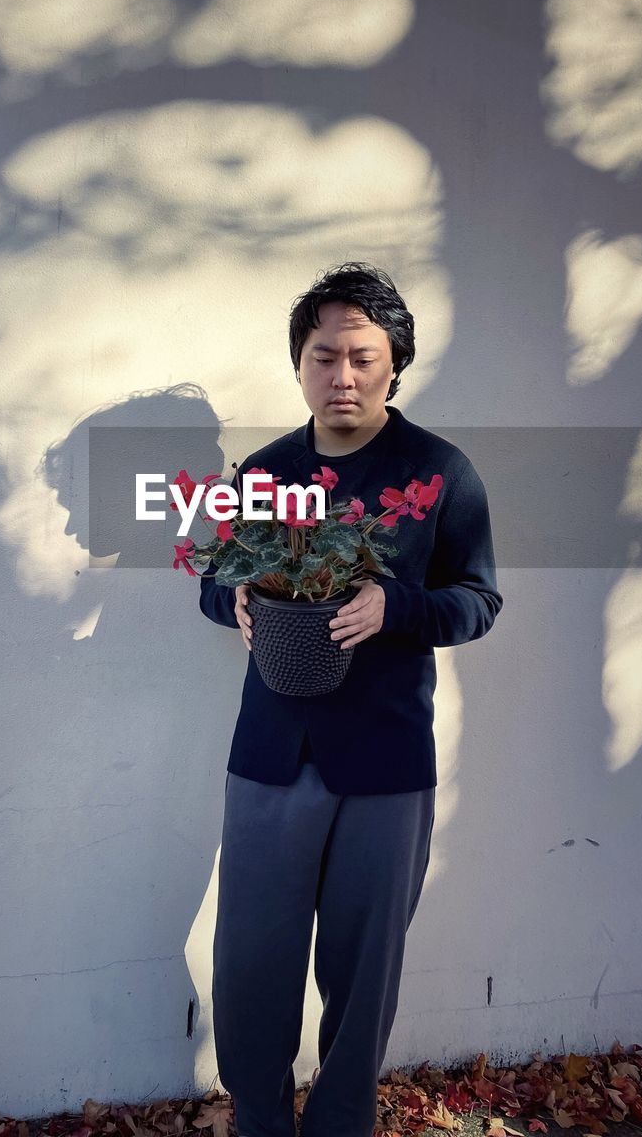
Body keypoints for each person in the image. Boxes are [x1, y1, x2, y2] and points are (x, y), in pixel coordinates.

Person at [199, 262, 503, 1137]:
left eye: (363, 357)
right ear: (298, 364)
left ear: (394, 364)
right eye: (324, 355)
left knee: (366, 968)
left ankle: (341, 1122)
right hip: (270, 756)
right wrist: (240, 599)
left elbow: (478, 602)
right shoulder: (264, 471)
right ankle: (259, 1120)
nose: (343, 375)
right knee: (252, 958)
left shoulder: (440, 473)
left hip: (386, 758)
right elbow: (215, 584)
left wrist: (394, 604)